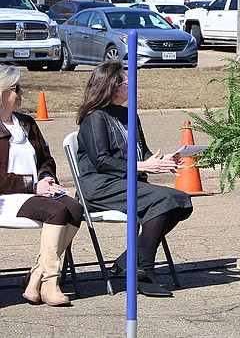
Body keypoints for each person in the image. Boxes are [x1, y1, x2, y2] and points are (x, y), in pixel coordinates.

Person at [76, 61, 193, 296]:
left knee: (181, 201)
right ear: (112, 86)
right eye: (126, 80)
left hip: (130, 182)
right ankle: (144, 270)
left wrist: (164, 160)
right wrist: (144, 165)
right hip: (100, 185)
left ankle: (130, 258)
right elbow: (102, 161)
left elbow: (143, 151)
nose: (131, 84)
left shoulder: (130, 115)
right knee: (163, 201)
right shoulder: (94, 118)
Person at [0, 64, 83, 306]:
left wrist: (46, 177)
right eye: (16, 88)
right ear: (2, 93)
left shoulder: (26, 123)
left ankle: (36, 275)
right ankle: (51, 282)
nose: (21, 92)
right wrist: (32, 185)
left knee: (75, 208)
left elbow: (46, 159)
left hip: (32, 192)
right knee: (55, 211)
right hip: (7, 197)